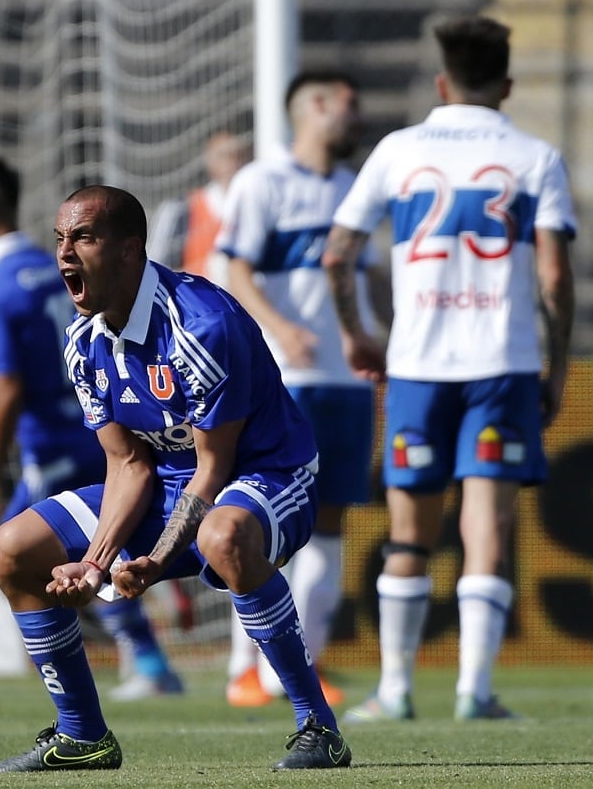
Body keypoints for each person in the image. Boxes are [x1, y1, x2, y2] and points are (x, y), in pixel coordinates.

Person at [0, 185, 351, 772]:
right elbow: (127, 464)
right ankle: (83, 738)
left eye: (83, 238)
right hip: (167, 484)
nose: (64, 256)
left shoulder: (202, 325)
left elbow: (214, 467)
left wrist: (154, 562)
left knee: (223, 538)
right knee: (11, 549)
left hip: (268, 474)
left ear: (131, 250)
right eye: (60, 239)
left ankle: (319, 727)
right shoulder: (84, 342)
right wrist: (97, 563)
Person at [322, 16, 575, 722]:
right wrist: (553, 369)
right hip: (503, 365)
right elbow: (554, 278)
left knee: (411, 529)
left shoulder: (398, 151)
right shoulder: (535, 156)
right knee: (485, 528)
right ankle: (476, 691)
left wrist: (359, 336)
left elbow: (336, 255)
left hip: (417, 366)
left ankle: (397, 690)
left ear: (441, 82)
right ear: (507, 84)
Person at [0, 155, 182, 701]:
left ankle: (130, 665)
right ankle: (139, 647)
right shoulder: (52, 266)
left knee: (18, 551)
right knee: (86, 545)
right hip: (104, 428)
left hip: (50, 444)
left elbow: (6, 386)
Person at [215, 70, 373, 708]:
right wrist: (281, 328)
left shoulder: (354, 189)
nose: (357, 116)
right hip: (286, 377)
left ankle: (301, 664)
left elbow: (372, 277)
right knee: (259, 523)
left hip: (348, 381)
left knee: (330, 523)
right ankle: (243, 670)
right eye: (348, 103)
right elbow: (235, 266)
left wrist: (382, 337)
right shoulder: (263, 181)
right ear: (312, 108)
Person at [147, 130, 249, 282]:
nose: (231, 163)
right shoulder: (181, 209)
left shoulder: (251, 210)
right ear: (209, 160)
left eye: (237, 155)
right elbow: (155, 266)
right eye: (223, 156)